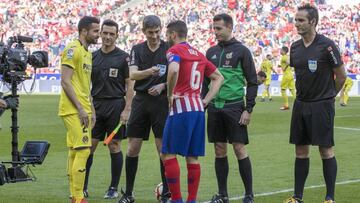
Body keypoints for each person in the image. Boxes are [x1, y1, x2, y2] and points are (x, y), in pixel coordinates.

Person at [284, 4, 346, 203]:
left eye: (301, 20)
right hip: (301, 104)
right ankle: (297, 197)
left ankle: (329, 198)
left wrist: (328, 96)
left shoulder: (327, 45)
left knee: (325, 150)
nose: (297, 24)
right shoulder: (294, 47)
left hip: (322, 105)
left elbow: (341, 76)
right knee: (300, 151)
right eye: (296, 20)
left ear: (313, 22)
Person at [162, 20, 223, 203]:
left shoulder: (174, 51)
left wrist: (170, 94)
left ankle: (177, 200)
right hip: (198, 109)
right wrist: (205, 100)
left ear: (173, 35)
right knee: (192, 157)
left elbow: (173, 70)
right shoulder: (199, 54)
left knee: (169, 153)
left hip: (181, 107)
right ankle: (192, 200)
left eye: (167, 35)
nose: (167, 39)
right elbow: (219, 78)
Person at [205, 13, 258, 203]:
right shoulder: (210, 52)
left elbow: (252, 82)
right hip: (214, 108)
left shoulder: (242, 51)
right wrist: (202, 106)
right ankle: (223, 195)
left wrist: (248, 108)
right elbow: (205, 82)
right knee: (219, 150)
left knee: (239, 149)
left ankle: (249, 194)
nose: (215, 32)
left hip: (234, 107)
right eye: (214, 28)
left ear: (229, 27)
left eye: (218, 28)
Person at [118, 15, 170, 203]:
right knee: (132, 148)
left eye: (157, 32)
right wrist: (149, 72)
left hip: (161, 102)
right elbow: (133, 74)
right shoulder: (137, 49)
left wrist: (163, 86)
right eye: (150, 32)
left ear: (161, 29)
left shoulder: (168, 48)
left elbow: (175, 74)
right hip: (141, 101)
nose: (154, 36)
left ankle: (167, 193)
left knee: (162, 150)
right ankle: (129, 193)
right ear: (144, 32)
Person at [83, 19, 134, 199]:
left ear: (117, 35)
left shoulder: (123, 57)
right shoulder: (92, 56)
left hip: (115, 105)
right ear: (100, 33)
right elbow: (84, 85)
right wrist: (89, 107)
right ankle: (83, 186)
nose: (107, 37)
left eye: (112, 34)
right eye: (105, 33)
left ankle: (112, 188)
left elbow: (130, 85)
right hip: (96, 106)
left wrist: (127, 109)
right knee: (89, 147)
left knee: (114, 145)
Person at [58, 16, 100, 203]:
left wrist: (91, 109)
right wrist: (82, 110)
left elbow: (84, 85)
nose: (97, 34)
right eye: (95, 31)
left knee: (75, 151)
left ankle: (73, 195)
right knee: (84, 150)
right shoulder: (72, 50)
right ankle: (79, 197)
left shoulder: (87, 53)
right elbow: (65, 81)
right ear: (84, 31)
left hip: (83, 108)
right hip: (73, 109)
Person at [279, 46, 296, 110]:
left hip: (286, 75)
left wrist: (284, 68)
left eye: (281, 50)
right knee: (292, 90)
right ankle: (298, 104)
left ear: (283, 51)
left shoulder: (284, 57)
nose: (280, 51)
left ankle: (286, 105)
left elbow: (288, 63)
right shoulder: (287, 56)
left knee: (283, 90)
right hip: (291, 75)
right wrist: (281, 66)